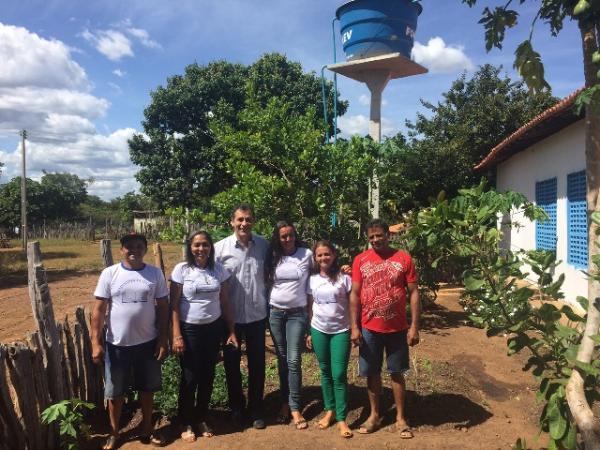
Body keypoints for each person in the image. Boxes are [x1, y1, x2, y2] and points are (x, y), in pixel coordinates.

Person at [91, 233, 169, 450]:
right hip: (117, 345)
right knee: (115, 393)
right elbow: (98, 310)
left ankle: (147, 429)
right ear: (121, 250)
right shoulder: (110, 274)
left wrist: (162, 339)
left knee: (147, 389)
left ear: (144, 249)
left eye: (138, 246)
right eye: (129, 246)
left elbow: (163, 307)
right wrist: (95, 343)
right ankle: (114, 433)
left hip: (148, 343)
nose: (134, 250)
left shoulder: (154, 273)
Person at [349, 218, 420, 439]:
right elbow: (355, 294)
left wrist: (414, 326)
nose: (375, 240)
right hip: (369, 328)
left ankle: (400, 418)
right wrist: (354, 327)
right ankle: (374, 415)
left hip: (398, 328)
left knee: (397, 373)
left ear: (388, 235)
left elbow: (414, 293)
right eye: (371, 237)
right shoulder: (360, 260)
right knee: (372, 373)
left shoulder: (403, 258)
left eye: (379, 235)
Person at [170, 230, 238, 442]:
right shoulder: (181, 270)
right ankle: (186, 421)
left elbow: (225, 302)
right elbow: (173, 306)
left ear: (211, 247)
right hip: (189, 330)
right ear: (190, 248)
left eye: (205, 245)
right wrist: (176, 335)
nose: (201, 249)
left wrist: (232, 330)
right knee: (190, 377)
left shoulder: (219, 270)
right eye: (197, 245)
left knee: (208, 376)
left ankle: (200, 417)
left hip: (213, 329)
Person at [214, 204, 269, 429]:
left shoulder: (264, 246)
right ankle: (236, 407)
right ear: (232, 222)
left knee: (257, 364)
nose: (244, 224)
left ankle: (256, 408)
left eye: (248, 219)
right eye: (240, 220)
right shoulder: (219, 249)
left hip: (257, 315)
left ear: (253, 221)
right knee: (231, 364)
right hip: (230, 319)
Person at [266, 220, 312, 430]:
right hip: (275, 313)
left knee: (293, 359)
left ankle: (294, 407)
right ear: (278, 238)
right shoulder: (273, 256)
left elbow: (322, 273)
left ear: (295, 235)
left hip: (297, 314)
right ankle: (285, 403)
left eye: (290, 235)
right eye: (283, 236)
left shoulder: (306, 254)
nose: (287, 239)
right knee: (282, 360)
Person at [305, 240, 353, 439]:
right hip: (319, 330)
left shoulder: (344, 278)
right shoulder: (312, 279)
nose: (323, 258)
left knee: (339, 374)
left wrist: (355, 328)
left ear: (334, 255)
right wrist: (309, 332)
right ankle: (330, 410)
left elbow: (352, 305)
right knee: (325, 371)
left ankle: (342, 418)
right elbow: (309, 307)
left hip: (341, 330)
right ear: (315, 258)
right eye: (319, 255)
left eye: (327, 254)